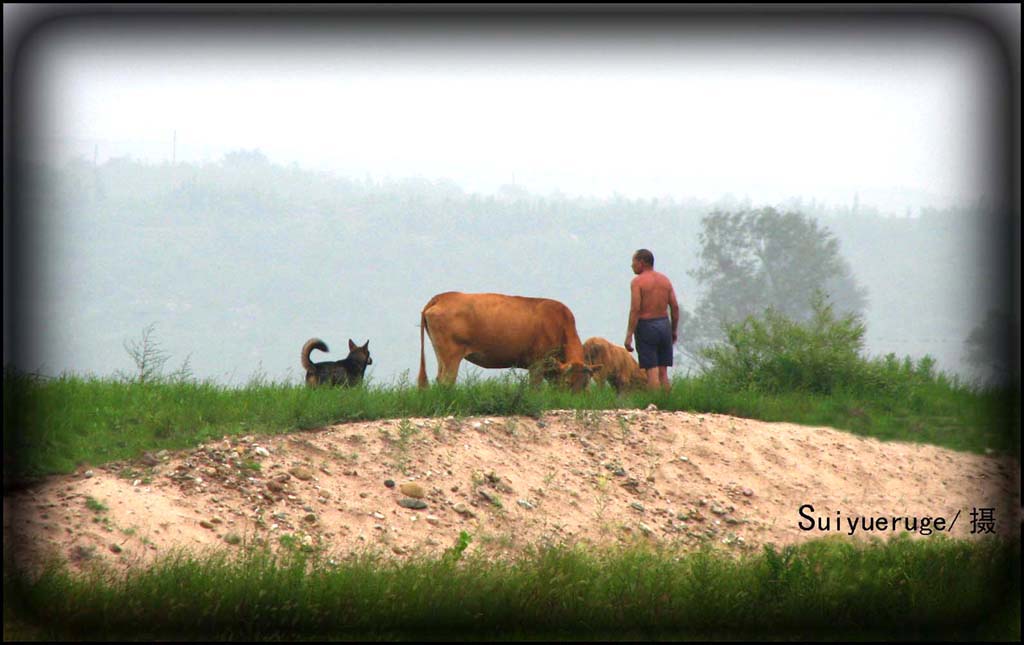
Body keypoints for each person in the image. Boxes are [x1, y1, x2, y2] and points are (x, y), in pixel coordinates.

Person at [624, 249, 679, 392]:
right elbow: (674, 306)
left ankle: (655, 405)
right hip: (664, 325)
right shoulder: (665, 280)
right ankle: (668, 405)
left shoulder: (637, 282)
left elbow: (635, 309)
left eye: (633, 262)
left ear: (641, 263)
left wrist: (629, 335)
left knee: (651, 371)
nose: (632, 266)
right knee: (663, 372)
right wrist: (673, 330)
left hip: (646, 326)